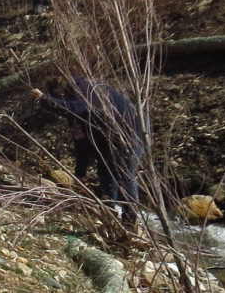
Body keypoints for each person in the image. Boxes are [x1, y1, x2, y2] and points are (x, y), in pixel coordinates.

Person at [33, 76, 147, 210]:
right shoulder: (76, 111)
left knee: (125, 174)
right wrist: (80, 174)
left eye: (58, 97)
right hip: (109, 138)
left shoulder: (86, 89)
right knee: (105, 170)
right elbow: (81, 143)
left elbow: (76, 107)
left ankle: (130, 217)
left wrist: (45, 100)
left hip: (131, 133)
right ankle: (110, 210)